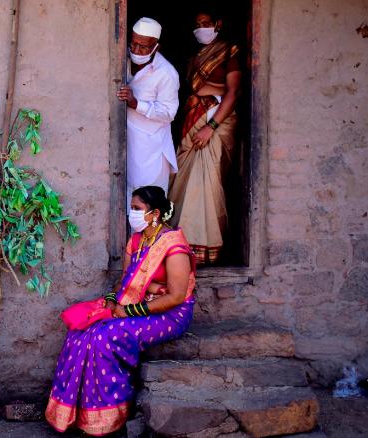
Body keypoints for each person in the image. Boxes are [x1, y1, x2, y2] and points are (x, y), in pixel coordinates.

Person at [46, 186, 196, 436]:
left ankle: (111, 415)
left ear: (155, 213)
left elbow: (176, 296)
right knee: (80, 330)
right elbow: (125, 280)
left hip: (169, 314)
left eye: (137, 209)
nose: (132, 213)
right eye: (132, 208)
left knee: (104, 337)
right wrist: (111, 300)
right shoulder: (137, 240)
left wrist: (129, 310)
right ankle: (77, 413)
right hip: (133, 305)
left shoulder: (173, 245)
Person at [167, 8, 242, 265]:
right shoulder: (194, 58)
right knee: (183, 181)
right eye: (197, 24)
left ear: (218, 23)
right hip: (192, 120)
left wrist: (211, 126)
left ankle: (204, 249)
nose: (202, 27)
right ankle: (179, 245)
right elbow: (194, 89)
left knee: (207, 185)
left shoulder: (229, 51)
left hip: (216, 122)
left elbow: (232, 93)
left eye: (206, 23)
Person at [117, 17, 180, 197]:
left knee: (147, 206)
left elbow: (169, 113)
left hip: (150, 152)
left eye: (143, 47)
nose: (136, 50)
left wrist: (136, 104)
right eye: (133, 44)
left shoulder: (166, 73)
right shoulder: (123, 61)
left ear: (155, 47)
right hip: (126, 146)